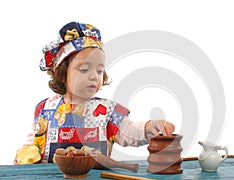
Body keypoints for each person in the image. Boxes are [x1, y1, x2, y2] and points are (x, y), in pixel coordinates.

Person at [15, 21, 175, 164]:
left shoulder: (107, 111)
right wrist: (23, 157)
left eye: (99, 71)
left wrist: (149, 128)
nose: (94, 76)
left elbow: (130, 132)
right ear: (61, 74)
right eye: (84, 69)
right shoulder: (44, 109)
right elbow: (32, 145)